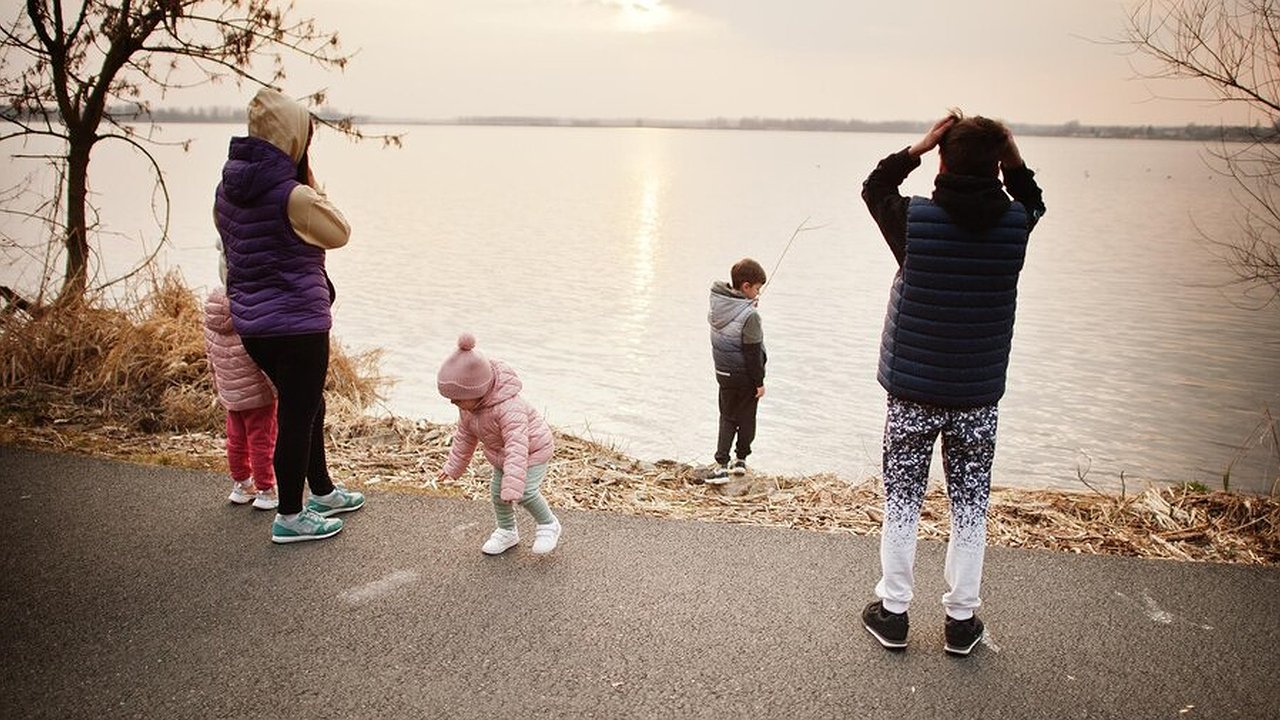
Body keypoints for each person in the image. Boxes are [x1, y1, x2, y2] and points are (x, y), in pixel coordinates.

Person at [859, 112, 1046, 655]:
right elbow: (1033, 199)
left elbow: (875, 188)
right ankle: (961, 622)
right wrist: (1009, 152)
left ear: (943, 160)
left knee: (902, 500)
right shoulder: (1017, 226)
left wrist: (919, 146)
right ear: (997, 165)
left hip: (912, 395)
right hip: (976, 399)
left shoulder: (914, 223)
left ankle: (893, 613)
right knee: (969, 506)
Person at [215, 87, 365, 544]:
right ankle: (292, 516)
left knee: (306, 405)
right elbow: (339, 232)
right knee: (298, 415)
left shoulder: (227, 188)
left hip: (253, 324)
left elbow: (230, 251)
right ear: (295, 137)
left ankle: (320, 490)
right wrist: (311, 187)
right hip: (298, 324)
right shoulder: (294, 195)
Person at [434, 333, 561, 555]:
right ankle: (507, 531)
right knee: (496, 493)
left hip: (533, 450)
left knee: (525, 492)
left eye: (458, 398)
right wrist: (452, 468)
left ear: (477, 390)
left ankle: (549, 524)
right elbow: (464, 438)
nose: (454, 403)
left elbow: (517, 446)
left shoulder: (509, 408)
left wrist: (513, 484)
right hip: (501, 454)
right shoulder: (468, 409)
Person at [203, 286, 278, 510]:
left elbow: (210, 360)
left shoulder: (211, 326)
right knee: (262, 441)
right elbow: (264, 363)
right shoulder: (249, 326)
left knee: (236, 439)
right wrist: (278, 388)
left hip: (230, 394)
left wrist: (219, 387)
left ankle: (242, 484)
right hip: (257, 397)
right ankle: (266, 490)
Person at [706, 258, 767, 483]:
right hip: (745, 376)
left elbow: (734, 317)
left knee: (727, 417)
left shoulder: (718, 306)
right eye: (757, 289)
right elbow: (752, 353)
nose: (759, 294)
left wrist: (746, 305)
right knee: (747, 418)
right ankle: (740, 460)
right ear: (746, 287)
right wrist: (759, 382)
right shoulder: (750, 316)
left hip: (723, 373)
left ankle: (721, 464)